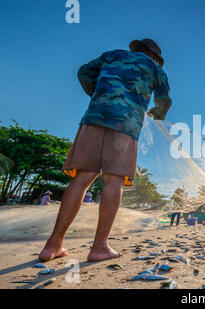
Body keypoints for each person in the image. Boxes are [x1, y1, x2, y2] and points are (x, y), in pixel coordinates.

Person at [39, 39, 172, 262]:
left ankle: (52, 245)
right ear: (156, 57)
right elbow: (164, 100)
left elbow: (83, 72)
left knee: (82, 179)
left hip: (93, 119)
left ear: (136, 49)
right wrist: (157, 114)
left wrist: (97, 93)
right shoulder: (155, 69)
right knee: (113, 181)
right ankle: (99, 247)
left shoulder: (111, 55)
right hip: (125, 126)